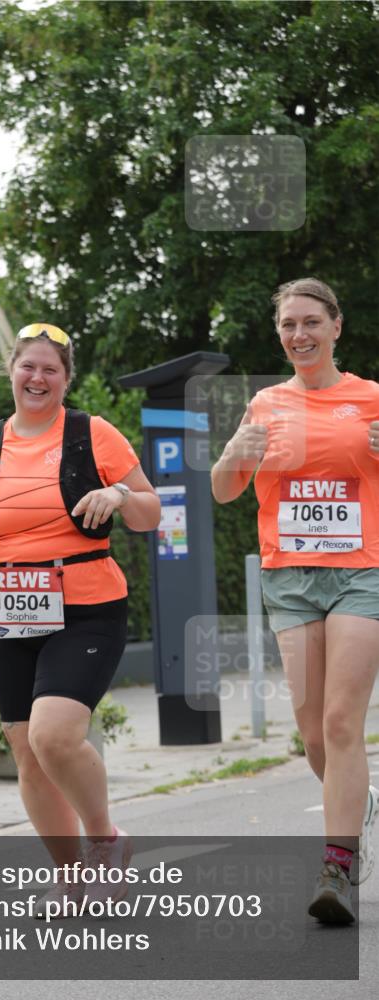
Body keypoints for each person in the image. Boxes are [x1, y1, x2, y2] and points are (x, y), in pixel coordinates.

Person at [0, 323, 161, 917]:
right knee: (26, 750)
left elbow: (150, 511)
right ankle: (70, 877)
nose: (38, 378)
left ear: (66, 379)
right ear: (12, 372)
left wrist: (121, 497)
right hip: (7, 607)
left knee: (54, 736)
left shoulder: (93, 434)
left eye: (51, 369)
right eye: (29, 367)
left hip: (86, 606)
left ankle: (104, 839)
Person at [211, 278, 379, 925]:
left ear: (336, 326)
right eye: (288, 325)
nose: (299, 335)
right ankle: (354, 805)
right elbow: (225, 490)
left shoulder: (368, 398)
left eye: (311, 322)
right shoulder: (265, 403)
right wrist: (234, 452)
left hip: (360, 573)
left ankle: (336, 867)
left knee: (340, 722)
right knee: (311, 733)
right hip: (289, 579)